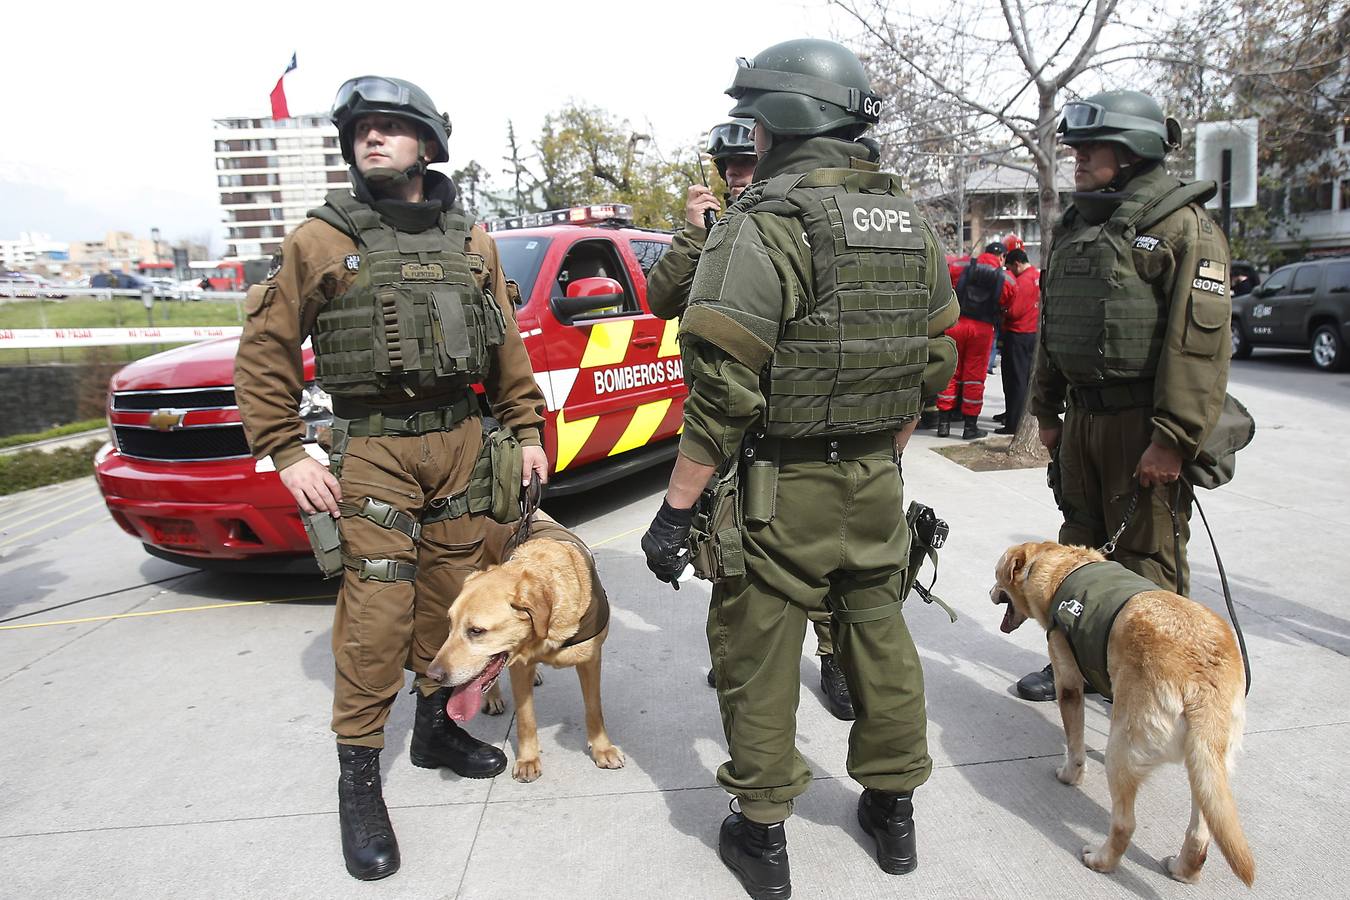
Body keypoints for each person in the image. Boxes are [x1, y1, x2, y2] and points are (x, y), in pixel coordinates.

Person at [640, 39, 958, 899]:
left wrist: (675, 511)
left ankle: (764, 833)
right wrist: (884, 454)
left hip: (782, 483)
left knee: (760, 648)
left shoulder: (765, 222)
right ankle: (894, 815)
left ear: (780, 119)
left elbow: (723, 391)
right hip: (877, 481)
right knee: (880, 637)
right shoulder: (907, 223)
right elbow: (934, 360)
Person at [233, 75, 548, 880]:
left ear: (427, 144)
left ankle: (438, 727)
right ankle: (358, 779)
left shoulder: (470, 238)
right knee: (375, 616)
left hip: (461, 443)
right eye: (361, 130)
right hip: (372, 450)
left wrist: (526, 429)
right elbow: (265, 349)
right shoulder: (319, 239)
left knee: (449, 602)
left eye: (391, 128)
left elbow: (505, 344)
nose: (372, 139)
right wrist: (286, 447)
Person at [1016, 90, 1232, 703]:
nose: (1077, 158)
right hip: (1083, 419)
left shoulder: (1184, 226)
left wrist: (1173, 439)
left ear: (1134, 148)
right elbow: (1054, 322)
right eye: (1076, 147)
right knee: (1078, 547)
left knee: (1145, 554)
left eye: (1092, 146)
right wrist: (1048, 411)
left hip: (1143, 424)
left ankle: (1153, 677)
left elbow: (1199, 347)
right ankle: (1081, 664)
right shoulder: (1081, 223)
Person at [647, 119, 855, 720]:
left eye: (745, 165)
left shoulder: (794, 222)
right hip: (723, 425)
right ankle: (735, 650)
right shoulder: (713, 233)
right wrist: (690, 235)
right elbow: (661, 300)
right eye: (728, 168)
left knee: (822, 556)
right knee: (722, 551)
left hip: (796, 421)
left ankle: (833, 654)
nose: (737, 176)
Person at [936, 242, 1014, 439]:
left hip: (957, 324)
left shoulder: (963, 265)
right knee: (974, 377)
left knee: (951, 373)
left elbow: (947, 277)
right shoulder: (1005, 277)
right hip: (982, 330)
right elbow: (1009, 299)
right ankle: (970, 427)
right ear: (1002, 257)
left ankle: (943, 424)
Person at [995, 248, 1039, 434]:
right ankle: (1012, 414)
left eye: (1011, 268)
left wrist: (1002, 310)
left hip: (1017, 334)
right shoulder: (1036, 275)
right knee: (1024, 379)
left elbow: (1014, 311)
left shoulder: (1023, 282)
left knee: (1015, 380)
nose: (1010, 272)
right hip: (1031, 333)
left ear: (1017, 264)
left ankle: (1013, 422)